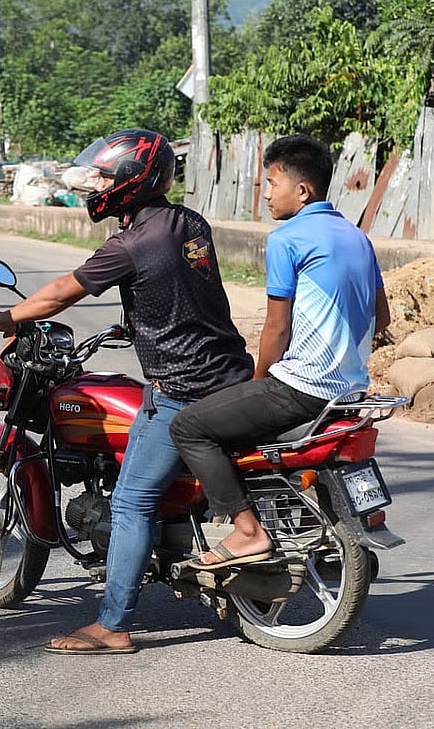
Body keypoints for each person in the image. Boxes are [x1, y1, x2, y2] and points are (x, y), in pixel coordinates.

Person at [0, 129, 253, 654]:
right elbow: (179, 290)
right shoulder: (189, 224)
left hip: (183, 388)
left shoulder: (129, 245)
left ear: (130, 182)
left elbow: (60, 293)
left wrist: (6, 316)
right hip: (228, 372)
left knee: (130, 500)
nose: (94, 185)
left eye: (103, 176)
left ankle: (113, 624)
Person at [169, 134, 391, 570]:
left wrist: (260, 381)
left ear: (302, 190)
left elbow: (277, 327)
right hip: (348, 393)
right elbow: (381, 318)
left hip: (302, 388)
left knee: (189, 426)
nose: (267, 193)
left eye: (272, 183)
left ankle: (248, 531)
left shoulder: (288, 237)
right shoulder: (356, 236)